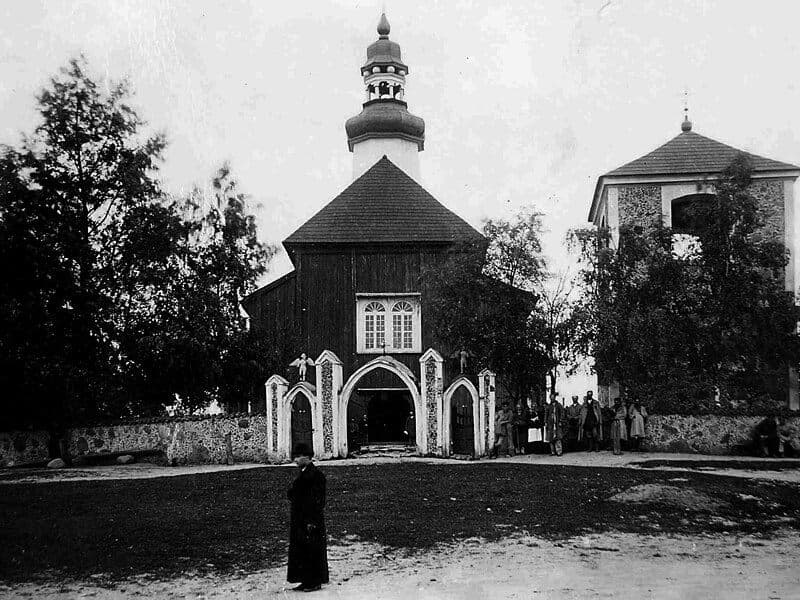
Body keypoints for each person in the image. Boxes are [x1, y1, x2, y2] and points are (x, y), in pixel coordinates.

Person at [287, 443, 329, 592]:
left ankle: (314, 581)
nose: (296, 460)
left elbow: (318, 500)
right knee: (302, 550)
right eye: (295, 457)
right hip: (300, 519)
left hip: (310, 520)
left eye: (298, 457)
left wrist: (312, 521)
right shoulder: (304, 473)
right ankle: (305, 580)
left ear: (308, 457)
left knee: (312, 550)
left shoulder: (316, 476)